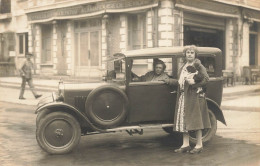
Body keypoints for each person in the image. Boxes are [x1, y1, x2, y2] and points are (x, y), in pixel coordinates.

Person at [164, 45, 211, 154]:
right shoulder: (183, 66)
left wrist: (195, 83)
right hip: (183, 96)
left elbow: (206, 79)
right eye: (188, 52)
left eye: (192, 52)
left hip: (194, 97)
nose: (189, 54)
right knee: (184, 121)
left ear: (195, 55)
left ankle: (199, 145)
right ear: (185, 54)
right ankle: (185, 144)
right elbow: (180, 82)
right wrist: (168, 81)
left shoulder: (199, 66)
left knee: (196, 120)